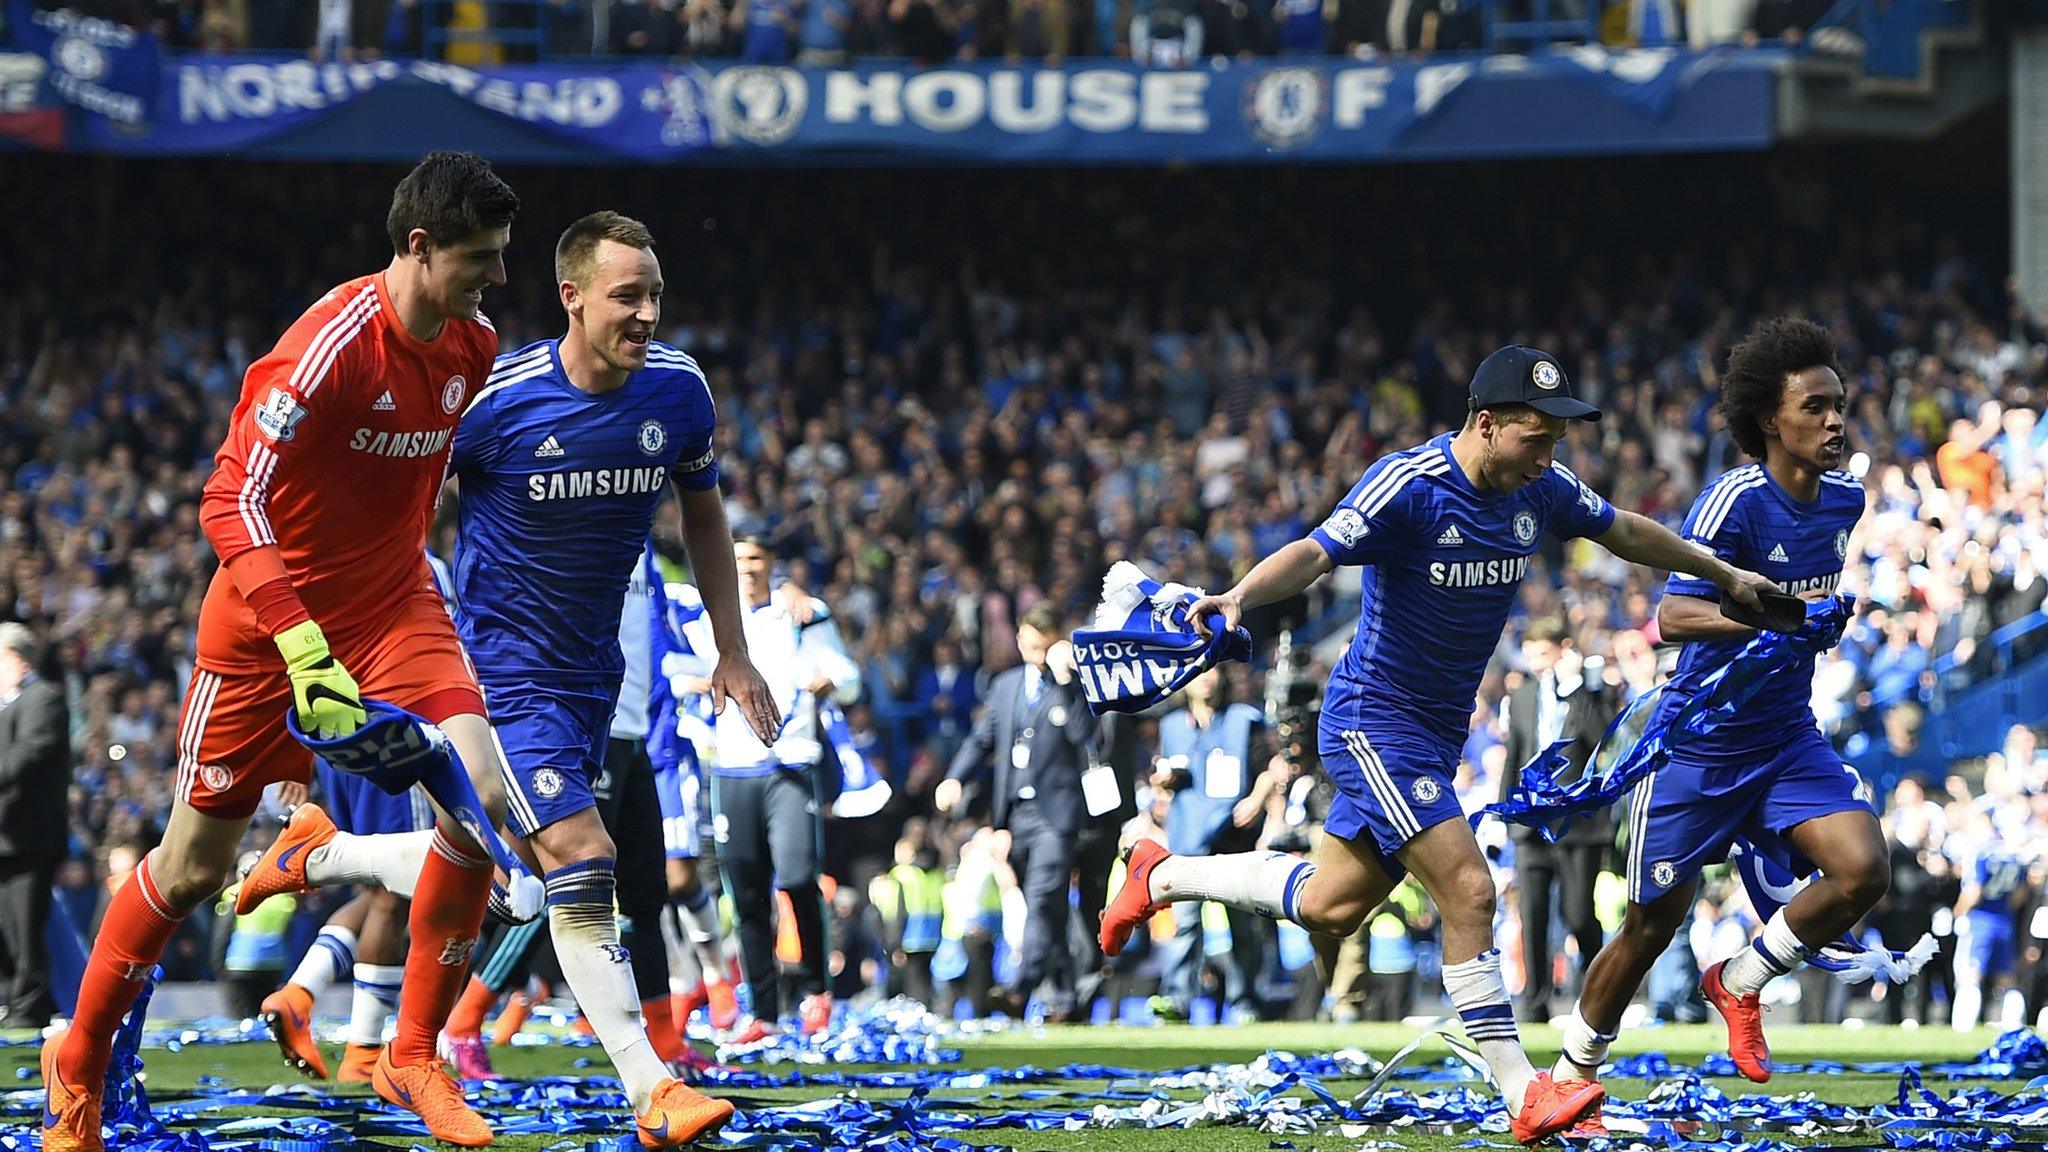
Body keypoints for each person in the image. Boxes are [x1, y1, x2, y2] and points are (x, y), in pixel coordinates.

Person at [1098, 345, 1777, 1145]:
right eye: (1537, 435)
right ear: (1485, 423)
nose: (1549, 454)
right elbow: (1318, 551)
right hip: (1370, 719)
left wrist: (1723, 574)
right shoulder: (1411, 484)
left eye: (1558, 438)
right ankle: (1525, 1092)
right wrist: (1240, 594)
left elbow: (1624, 529)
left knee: (1332, 905)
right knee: (1472, 891)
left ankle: (1161, 872)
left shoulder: (1542, 490)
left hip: (1433, 734)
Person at [241, 211, 777, 1145]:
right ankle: (651, 1089)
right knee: (580, 857)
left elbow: (704, 517)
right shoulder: (493, 397)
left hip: (590, 680)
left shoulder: (681, 394)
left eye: (655, 294)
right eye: (627, 296)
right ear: (571, 297)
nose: (647, 312)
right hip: (495, 678)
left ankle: (320, 857)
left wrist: (733, 649)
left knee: (499, 882)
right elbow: (394, 506)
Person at [43, 152, 521, 1152]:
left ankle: (412, 1053)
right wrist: (300, 637)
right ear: (418, 246)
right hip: (268, 631)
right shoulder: (329, 346)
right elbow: (229, 497)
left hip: (394, 608)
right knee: (187, 870)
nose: (495, 277)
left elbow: (454, 477)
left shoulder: (473, 343)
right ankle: (78, 1068)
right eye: (478, 256)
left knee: (478, 793)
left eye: (502, 256)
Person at [1555, 317, 1888, 1113]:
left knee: (1862, 867)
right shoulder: (1733, 498)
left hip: (1783, 734)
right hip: (1700, 742)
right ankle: (1567, 1079)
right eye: (1815, 407)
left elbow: (1807, 611)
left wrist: (1819, 618)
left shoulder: (1847, 500)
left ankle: (1740, 981)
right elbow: (1674, 618)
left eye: (1839, 404)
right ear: (1771, 422)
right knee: (1648, 927)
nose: (1835, 420)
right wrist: (1783, 616)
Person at [673, 534, 861, 1041]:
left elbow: (849, 677)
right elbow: (673, 668)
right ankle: (764, 1013)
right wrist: (689, 683)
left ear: (771, 564)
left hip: (791, 766)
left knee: (798, 878)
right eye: (736, 560)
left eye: (755, 558)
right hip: (732, 769)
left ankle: (817, 991)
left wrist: (830, 681)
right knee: (747, 894)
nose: (747, 568)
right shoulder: (708, 618)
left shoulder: (800, 613)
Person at [937, 603, 1098, 1021]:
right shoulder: (1006, 685)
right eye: (1029, 646)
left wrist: (1066, 678)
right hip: (1015, 815)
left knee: (1043, 900)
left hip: (1057, 816)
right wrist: (955, 778)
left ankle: (1018, 989)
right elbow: (981, 739)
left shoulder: (1075, 683)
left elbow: (1086, 735)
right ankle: (1067, 998)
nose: (1036, 656)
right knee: (1048, 908)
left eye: (1043, 648)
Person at [1497, 616, 1620, 1022]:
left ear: (1564, 649)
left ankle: (1598, 988)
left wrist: (1579, 689)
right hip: (1530, 824)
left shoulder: (1592, 692)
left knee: (1579, 913)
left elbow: (1603, 740)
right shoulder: (1523, 696)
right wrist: (1504, 812)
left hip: (1578, 825)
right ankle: (1534, 1002)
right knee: (1531, 915)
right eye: (1531, 655)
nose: (1537, 664)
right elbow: (1514, 759)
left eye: (1544, 654)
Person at [1152, 666, 1268, 1023]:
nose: (1204, 678)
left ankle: (1244, 1001)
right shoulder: (1170, 726)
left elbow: (1269, 766)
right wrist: (1162, 782)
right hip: (1187, 839)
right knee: (1185, 926)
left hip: (1234, 840)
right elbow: (1159, 779)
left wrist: (1257, 799)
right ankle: (1177, 1000)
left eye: (1211, 670)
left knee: (1243, 926)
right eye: (1196, 673)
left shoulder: (1245, 720)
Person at [0, 621, 70, 1029]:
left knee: (24, 928)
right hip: (6, 838)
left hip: (28, 838)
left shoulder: (43, 699)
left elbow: (28, 755)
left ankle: (29, 1006)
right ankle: (11, 999)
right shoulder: (9, 705)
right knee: (6, 927)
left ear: (18, 660)